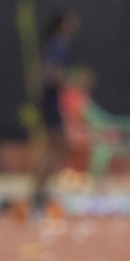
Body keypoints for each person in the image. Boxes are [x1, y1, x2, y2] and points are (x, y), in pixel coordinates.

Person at [31, 12, 79, 212]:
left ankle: (41, 191)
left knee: (56, 146)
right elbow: (52, 75)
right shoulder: (58, 45)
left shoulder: (54, 44)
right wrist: (76, 80)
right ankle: (39, 192)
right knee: (56, 146)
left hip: (50, 100)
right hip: (51, 101)